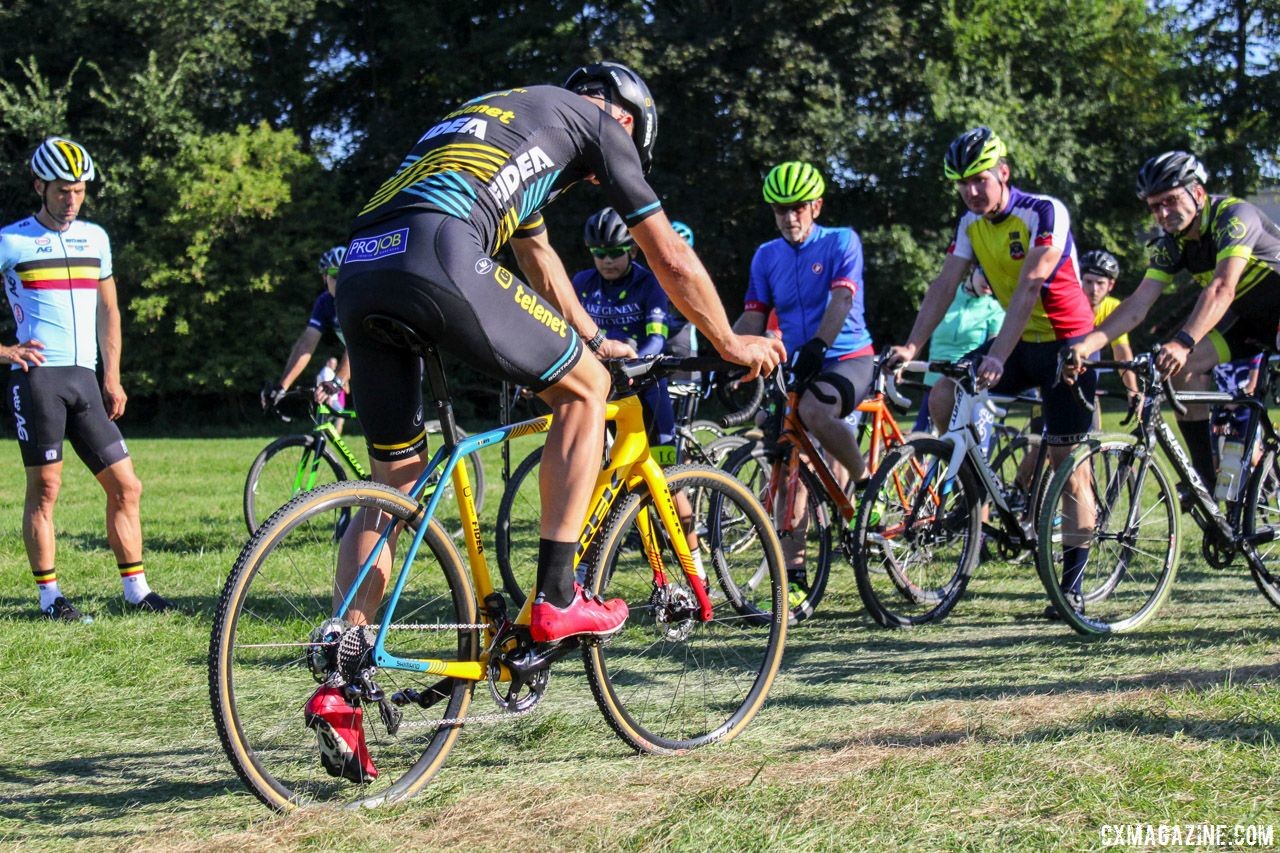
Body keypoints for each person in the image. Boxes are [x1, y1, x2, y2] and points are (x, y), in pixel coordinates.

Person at [334, 62, 782, 653]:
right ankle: (556, 595)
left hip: (361, 268)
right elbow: (669, 256)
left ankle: (343, 664)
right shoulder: (599, 124)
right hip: (438, 251)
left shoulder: (513, 119)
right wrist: (728, 341)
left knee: (393, 484)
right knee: (587, 390)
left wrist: (594, 340)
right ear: (625, 119)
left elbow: (540, 261)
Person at [883, 127, 1098, 618]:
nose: (971, 192)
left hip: (1068, 344)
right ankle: (977, 493)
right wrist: (912, 343)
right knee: (942, 393)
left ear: (1003, 172)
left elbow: (1030, 287)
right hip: (1020, 342)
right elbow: (944, 284)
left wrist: (998, 355)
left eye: (979, 180)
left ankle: (1074, 588)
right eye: (961, 184)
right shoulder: (969, 224)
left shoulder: (1044, 211)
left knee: (1069, 472)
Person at [0, 136, 171, 622]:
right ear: (39, 186)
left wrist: (113, 377)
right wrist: (5, 351)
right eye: (60, 191)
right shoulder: (12, 240)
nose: (71, 200)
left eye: (78, 190)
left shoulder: (95, 238)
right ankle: (50, 598)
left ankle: (136, 589)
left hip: (86, 380)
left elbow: (110, 310)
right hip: (38, 380)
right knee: (47, 489)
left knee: (126, 485)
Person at [1064, 150, 1280, 498]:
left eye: (1169, 201)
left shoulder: (1234, 217)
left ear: (1197, 193)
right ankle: (1204, 479)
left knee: (1182, 354)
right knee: (1181, 372)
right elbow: (1137, 304)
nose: (1162, 213)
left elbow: (1222, 288)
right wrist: (1086, 345)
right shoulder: (1171, 245)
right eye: (1154, 206)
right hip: (1250, 324)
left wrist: (1182, 341)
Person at [732, 161, 875, 601]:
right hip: (796, 364)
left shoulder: (840, 241)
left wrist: (818, 344)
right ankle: (793, 577)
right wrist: (727, 353)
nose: (789, 218)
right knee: (785, 459)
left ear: (816, 205)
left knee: (814, 410)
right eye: (779, 210)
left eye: (797, 208)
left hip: (848, 356)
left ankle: (866, 482)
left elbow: (842, 297)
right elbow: (754, 316)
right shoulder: (766, 255)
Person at [573, 207, 675, 445]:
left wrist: (635, 363)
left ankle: (676, 476)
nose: (607, 260)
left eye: (616, 252)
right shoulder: (582, 282)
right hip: (599, 378)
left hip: (643, 375)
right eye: (599, 253)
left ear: (633, 250)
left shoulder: (650, 283)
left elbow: (658, 338)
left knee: (664, 452)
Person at [911, 266, 1005, 444]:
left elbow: (993, 347)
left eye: (994, 277)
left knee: (971, 449)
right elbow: (923, 332)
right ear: (972, 270)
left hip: (968, 384)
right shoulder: (948, 297)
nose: (989, 282)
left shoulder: (995, 309)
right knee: (918, 446)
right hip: (933, 379)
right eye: (985, 274)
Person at [263, 246, 350, 413]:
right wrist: (282, 387)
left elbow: (359, 345)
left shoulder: (362, 299)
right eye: (335, 275)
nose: (342, 281)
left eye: (347, 274)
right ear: (324, 277)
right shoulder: (325, 303)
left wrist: (337, 381)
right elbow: (306, 345)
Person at [1078, 249, 1141, 416]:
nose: (1094, 289)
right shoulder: (1070, 305)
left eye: (1100, 283)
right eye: (1088, 282)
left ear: (1110, 285)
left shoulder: (1113, 307)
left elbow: (1121, 351)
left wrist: (1132, 390)